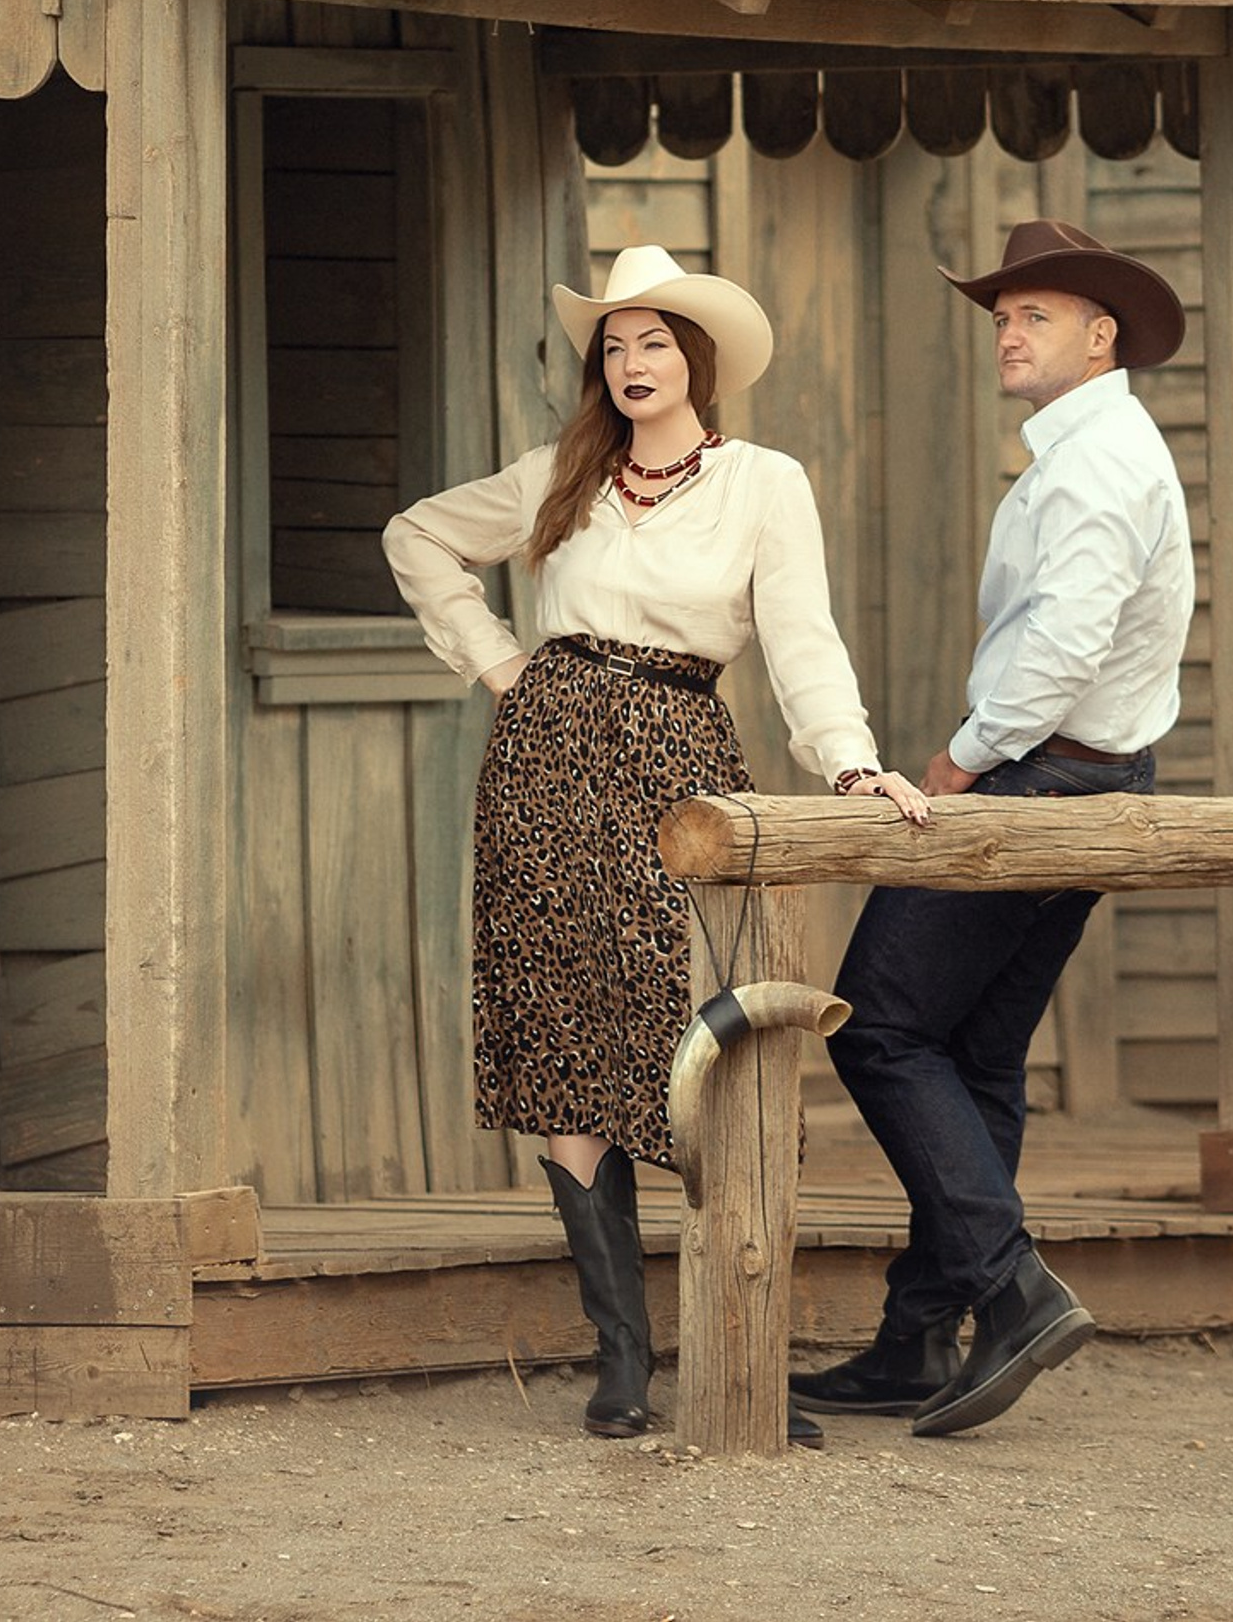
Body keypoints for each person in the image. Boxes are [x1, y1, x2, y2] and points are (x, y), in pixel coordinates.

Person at [385, 244, 925, 1444]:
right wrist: (499, 664)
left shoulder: (762, 482)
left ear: (700, 360)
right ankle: (621, 1361)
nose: (632, 363)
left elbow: (799, 634)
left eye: (655, 341)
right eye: (614, 345)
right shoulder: (559, 474)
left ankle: (740, 1350)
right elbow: (417, 535)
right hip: (545, 757)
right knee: (573, 1031)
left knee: (708, 1030)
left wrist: (847, 758)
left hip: (682, 759)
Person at [796, 217, 1194, 1441]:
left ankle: (1011, 1290)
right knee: (972, 1057)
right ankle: (921, 1336)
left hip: (1044, 781)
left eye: (1033, 314)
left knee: (876, 1026)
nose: (1007, 333)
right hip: (1091, 780)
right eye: (1002, 315)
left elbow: (1064, 646)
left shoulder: (1092, 463)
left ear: (1099, 332)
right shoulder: (1099, 447)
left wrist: (958, 762)